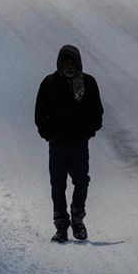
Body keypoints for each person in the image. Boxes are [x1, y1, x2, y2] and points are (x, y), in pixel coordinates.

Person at [34, 44, 104, 243]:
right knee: (58, 185)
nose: (69, 66)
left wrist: (88, 131)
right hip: (57, 144)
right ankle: (61, 226)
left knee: (81, 181)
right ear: (60, 63)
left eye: (73, 62)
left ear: (78, 63)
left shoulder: (88, 83)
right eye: (66, 62)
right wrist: (48, 133)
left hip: (79, 144)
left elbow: (97, 112)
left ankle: (78, 218)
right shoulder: (50, 83)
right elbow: (40, 112)